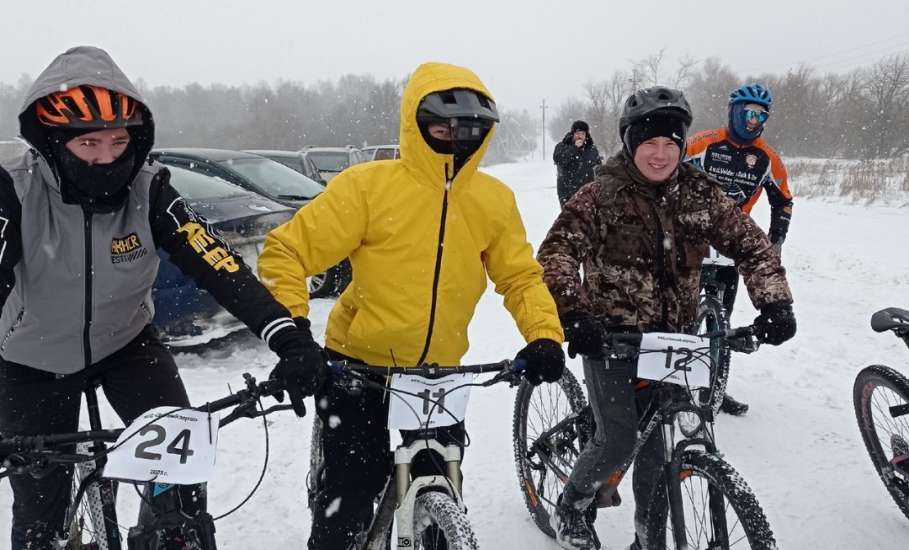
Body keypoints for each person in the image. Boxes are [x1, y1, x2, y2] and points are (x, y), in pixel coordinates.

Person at [0, 46, 320, 550]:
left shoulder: (151, 192)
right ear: (52, 143)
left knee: (182, 491)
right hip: (29, 362)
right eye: (88, 144)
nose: (107, 158)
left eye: (118, 141)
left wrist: (289, 339)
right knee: (40, 516)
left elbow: (219, 266)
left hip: (127, 347)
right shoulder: (13, 193)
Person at [257, 62, 566, 550]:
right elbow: (285, 252)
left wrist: (544, 335)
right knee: (349, 504)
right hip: (359, 368)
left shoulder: (493, 200)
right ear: (414, 124)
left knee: (442, 494)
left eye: (468, 131)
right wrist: (293, 330)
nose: (454, 140)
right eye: (440, 128)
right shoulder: (368, 187)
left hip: (437, 376)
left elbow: (521, 277)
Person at [536, 86, 796, 550]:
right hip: (610, 340)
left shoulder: (700, 194)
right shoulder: (601, 195)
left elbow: (751, 244)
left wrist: (774, 302)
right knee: (617, 439)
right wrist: (574, 314)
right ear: (630, 144)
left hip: (673, 342)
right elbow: (556, 254)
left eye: (670, 145)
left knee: (662, 445)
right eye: (649, 144)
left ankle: (648, 535)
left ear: (681, 146)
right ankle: (572, 504)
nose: (660, 155)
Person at [684, 83, 793, 416]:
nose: (753, 121)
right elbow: (661, 171)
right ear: (733, 111)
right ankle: (669, 379)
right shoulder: (703, 143)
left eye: (761, 116)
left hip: (731, 244)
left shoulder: (767, 158)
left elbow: (783, 201)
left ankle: (715, 384)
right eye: (748, 113)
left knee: (722, 321)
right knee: (679, 315)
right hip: (690, 240)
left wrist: (775, 241)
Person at [553, 120, 602, 206]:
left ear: (586, 135)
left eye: (583, 134)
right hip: (567, 193)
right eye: (577, 133)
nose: (580, 136)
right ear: (573, 134)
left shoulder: (591, 149)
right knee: (570, 218)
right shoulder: (562, 146)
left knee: (587, 219)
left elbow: (598, 167)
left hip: (588, 193)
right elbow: (559, 159)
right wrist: (574, 148)